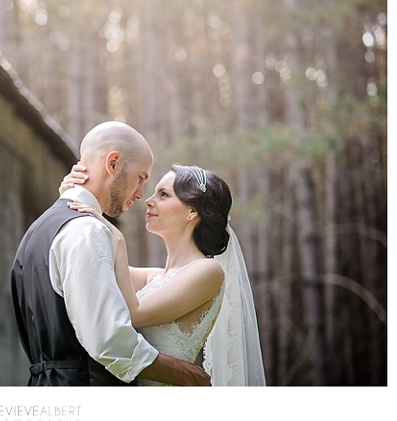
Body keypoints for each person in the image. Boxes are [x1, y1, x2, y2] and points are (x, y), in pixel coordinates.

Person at [10, 121, 212, 386]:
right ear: (113, 163)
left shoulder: (42, 228)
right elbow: (109, 340)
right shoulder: (86, 231)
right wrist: (188, 375)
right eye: (141, 178)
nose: (141, 194)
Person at [61, 163, 266, 386]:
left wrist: (119, 241)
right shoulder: (155, 278)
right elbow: (96, 264)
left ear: (191, 212)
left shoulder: (208, 271)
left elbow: (134, 314)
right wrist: (72, 196)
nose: (149, 200)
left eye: (163, 194)